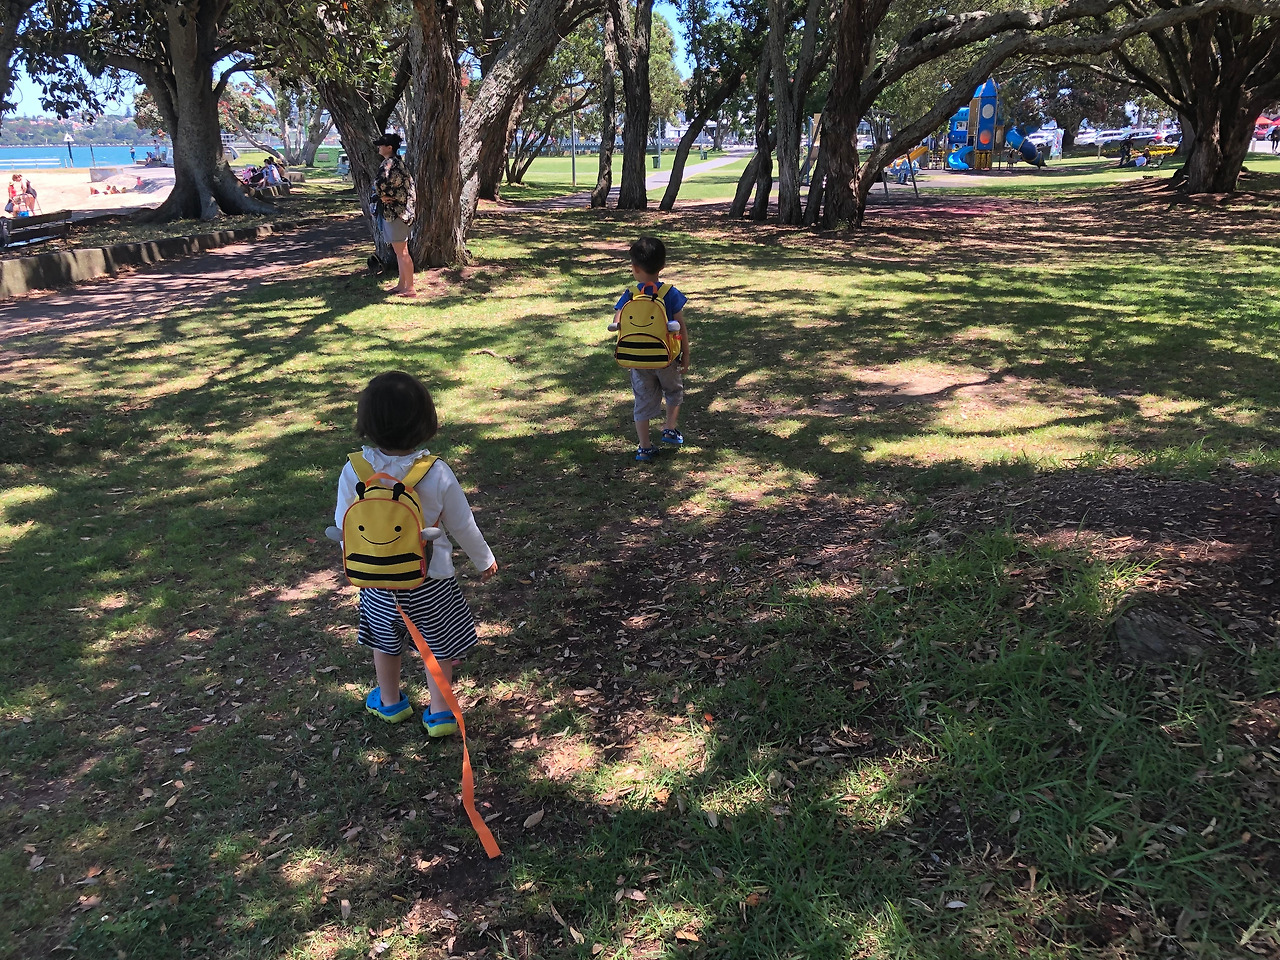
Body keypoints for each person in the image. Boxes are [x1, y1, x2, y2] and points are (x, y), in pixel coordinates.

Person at [334, 371, 498, 731]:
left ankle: (389, 702)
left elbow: (344, 523)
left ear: (366, 423)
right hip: (430, 579)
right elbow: (462, 523)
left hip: (377, 583)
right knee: (438, 646)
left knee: (384, 642)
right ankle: (440, 712)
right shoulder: (436, 472)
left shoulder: (354, 470)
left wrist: (360, 563)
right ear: (425, 421)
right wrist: (484, 559)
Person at [611, 236, 690, 462]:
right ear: (662, 266)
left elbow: (618, 320)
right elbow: (680, 326)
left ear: (635, 268)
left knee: (642, 400)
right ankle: (670, 429)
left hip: (638, 359)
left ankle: (644, 447)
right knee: (673, 391)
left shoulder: (630, 294)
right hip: (666, 357)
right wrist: (686, 353)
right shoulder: (669, 293)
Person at [373, 132, 417, 298]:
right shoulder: (397, 163)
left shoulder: (390, 164)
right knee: (399, 251)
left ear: (389, 147)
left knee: (402, 251)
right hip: (399, 212)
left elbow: (380, 183)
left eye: (381, 145)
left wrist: (381, 195)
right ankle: (401, 284)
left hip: (396, 213)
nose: (379, 147)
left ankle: (410, 288)